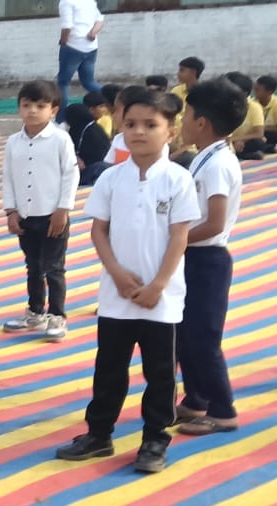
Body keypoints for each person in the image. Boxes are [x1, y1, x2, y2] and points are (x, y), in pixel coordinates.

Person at [57, 88, 197, 474]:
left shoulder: (178, 180)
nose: (139, 132)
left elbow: (180, 237)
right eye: (131, 123)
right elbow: (98, 231)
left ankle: (155, 439)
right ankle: (99, 434)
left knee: (160, 374)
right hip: (116, 296)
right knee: (109, 369)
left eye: (151, 125)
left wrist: (158, 286)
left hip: (161, 299)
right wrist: (117, 274)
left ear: (171, 131)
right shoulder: (111, 178)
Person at [176, 79, 246, 436]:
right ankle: (196, 399)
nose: (181, 122)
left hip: (207, 260)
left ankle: (223, 409)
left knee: (203, 337)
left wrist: (174, 241)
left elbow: (214, 222)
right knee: (185, 334)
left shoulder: (217, 164)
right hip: (193, 257)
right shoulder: (205, 157)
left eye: (186, 114)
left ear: (201, 122)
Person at [2, 80, 79, 341]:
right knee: (33, 266)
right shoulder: (13, 142)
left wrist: (63, 209)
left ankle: (57, 315)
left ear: (53, 110)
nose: (32, 110)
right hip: (26, 215)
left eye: (40, 105)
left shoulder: (60, 139)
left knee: (54, 267)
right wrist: (11, 211)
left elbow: (70, 174)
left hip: (52, 215)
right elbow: (8, 177)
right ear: (19, 108)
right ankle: (35, 312)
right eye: (26, 105)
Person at [56, 0, 104, 122]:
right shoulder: (89, 1)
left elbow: (67, 26)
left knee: (63, 83)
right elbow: (100, 20)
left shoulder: (66, 2)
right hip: (91, 47)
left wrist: (63, 41)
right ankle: (113, 98)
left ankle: (60, 120)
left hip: (73, 46)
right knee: (88, 82)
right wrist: (93, 33)